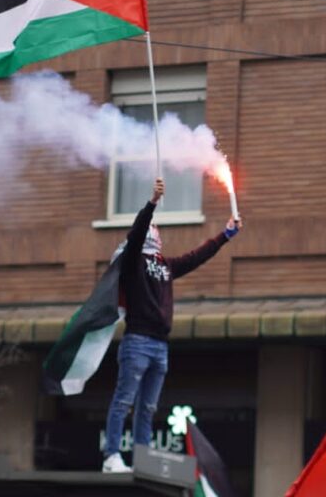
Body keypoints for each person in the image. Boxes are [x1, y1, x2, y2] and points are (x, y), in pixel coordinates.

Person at [102, 178, 243, 473]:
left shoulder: (165, 266)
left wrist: (225, 235)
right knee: (124, 400)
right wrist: (152, 203)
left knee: (148, 408)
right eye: (152, 227)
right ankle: (112, 456)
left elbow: (196, 257)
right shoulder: (132, 262)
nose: (155, 230)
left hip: (159, 346)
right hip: (138, 341)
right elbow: (136, 233)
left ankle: (142, 461)